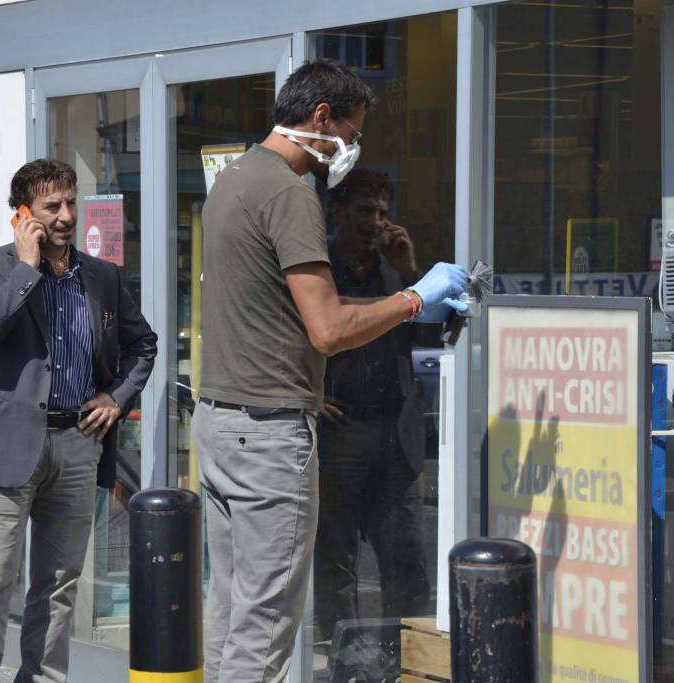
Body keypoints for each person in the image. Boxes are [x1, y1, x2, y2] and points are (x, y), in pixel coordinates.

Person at [193, 58, 468, 683]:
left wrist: (401, 288)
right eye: (352, 131)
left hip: (220, 422)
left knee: (232, 611)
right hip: (268, 435)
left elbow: (288, 310)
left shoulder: (233, 179)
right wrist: (416, 298)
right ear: (321, 118)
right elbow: (329, 329)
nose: (351, 147)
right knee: (264, 629)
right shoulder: (289, 193)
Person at [0, 159, 157, 683]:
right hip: (6, 450)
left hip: (77, 444)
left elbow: (143, 344)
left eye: (71, 202)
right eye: (51, 207)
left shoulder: (103, 277)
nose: (66, 216)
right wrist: (26, 268)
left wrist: (116, 395)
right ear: (23, 215)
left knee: (59, 583)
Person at [314, 168, 431, 645]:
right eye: (365, 211)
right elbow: (287, 336)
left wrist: (409, 273)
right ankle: (350, 664)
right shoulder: (317, 270)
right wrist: (307, 393)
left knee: (405, 558)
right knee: (336, 559)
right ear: (337, 211)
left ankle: (405, 658)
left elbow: (431, 340)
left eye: (383, 212)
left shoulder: (393, 270)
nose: (376, 223)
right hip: (340, 434)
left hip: (395, 435)